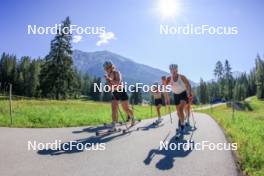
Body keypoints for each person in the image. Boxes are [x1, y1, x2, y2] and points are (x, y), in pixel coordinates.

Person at [103, 61, 135, 129]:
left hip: (121, 91)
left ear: (111, 67)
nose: (106, 70)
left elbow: (118, 82)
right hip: (115, 93)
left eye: (107, 68)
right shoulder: (108, 75)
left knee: (125, 109)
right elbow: (110, 86)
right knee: (114, 109)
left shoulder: (117, 72)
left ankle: (132, 118)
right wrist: (108, 83)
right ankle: (113, 124)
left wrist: (109, 79)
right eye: (105, 69)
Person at [166, 64, 192, 133]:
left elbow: (188, 84)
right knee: (178, 113)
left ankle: (182, 126)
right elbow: (166, 88)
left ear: (177, 70)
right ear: (170, 71)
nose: (173, 71)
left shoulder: (182, 77)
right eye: (172, 70)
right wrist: (167, 99)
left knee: (180, 109)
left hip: (183, 94)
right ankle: (182, 121)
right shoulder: (169, 78)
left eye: (174, 69)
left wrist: (189, 94)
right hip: (175, 95)